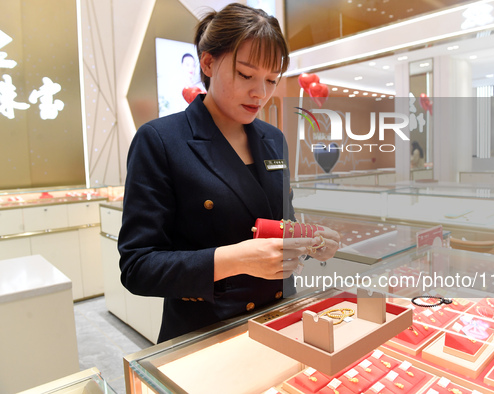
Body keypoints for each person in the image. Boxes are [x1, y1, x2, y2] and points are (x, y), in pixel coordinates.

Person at [118, 3, 340, 343]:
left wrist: (311, 239)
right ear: (208, 62)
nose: (260, 93)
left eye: (270, 80)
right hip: (206, 332)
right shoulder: (160, 140)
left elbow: (281, 224)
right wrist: (234, 259)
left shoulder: (273, 139)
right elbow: (138, 267)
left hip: (281, 318)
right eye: (246, 75)